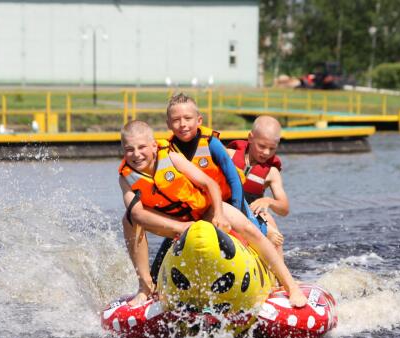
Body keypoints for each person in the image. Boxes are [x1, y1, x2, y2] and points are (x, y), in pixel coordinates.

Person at [118, 120, 306, 308]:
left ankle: (290, 286)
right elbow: (138, 214)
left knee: (250, 229)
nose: (136, 154)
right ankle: (145, 287)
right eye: (129, 149)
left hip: (204, 211)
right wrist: (181, 227)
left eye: (141, 147)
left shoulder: (171, 157)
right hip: (174, 223)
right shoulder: (126, 177)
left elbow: (210, 184)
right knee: (129, 220)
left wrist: (219, 214)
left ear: (153, 145)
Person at [146, 93, 277, 281]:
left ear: (199, 120)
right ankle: (154, 283)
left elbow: (234, 180)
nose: (182, 124)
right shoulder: (167, 152)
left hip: (229, 203)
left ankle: (273, 270)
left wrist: (233, 211)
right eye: (176, 120)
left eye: (188, 118)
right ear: (168, 124)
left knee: (253, 233)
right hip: (196, 211)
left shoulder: (211, 144)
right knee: (169, 244)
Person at [227, 115, 288, 255]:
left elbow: (284, 208)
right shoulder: (229, 155)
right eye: (261, 146)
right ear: (250, 137)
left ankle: (280, 275)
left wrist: (268, 201)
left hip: (252, 213)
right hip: (227, 206)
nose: (266, 152)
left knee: (271, 223)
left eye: (272, 148)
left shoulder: (271, 173)